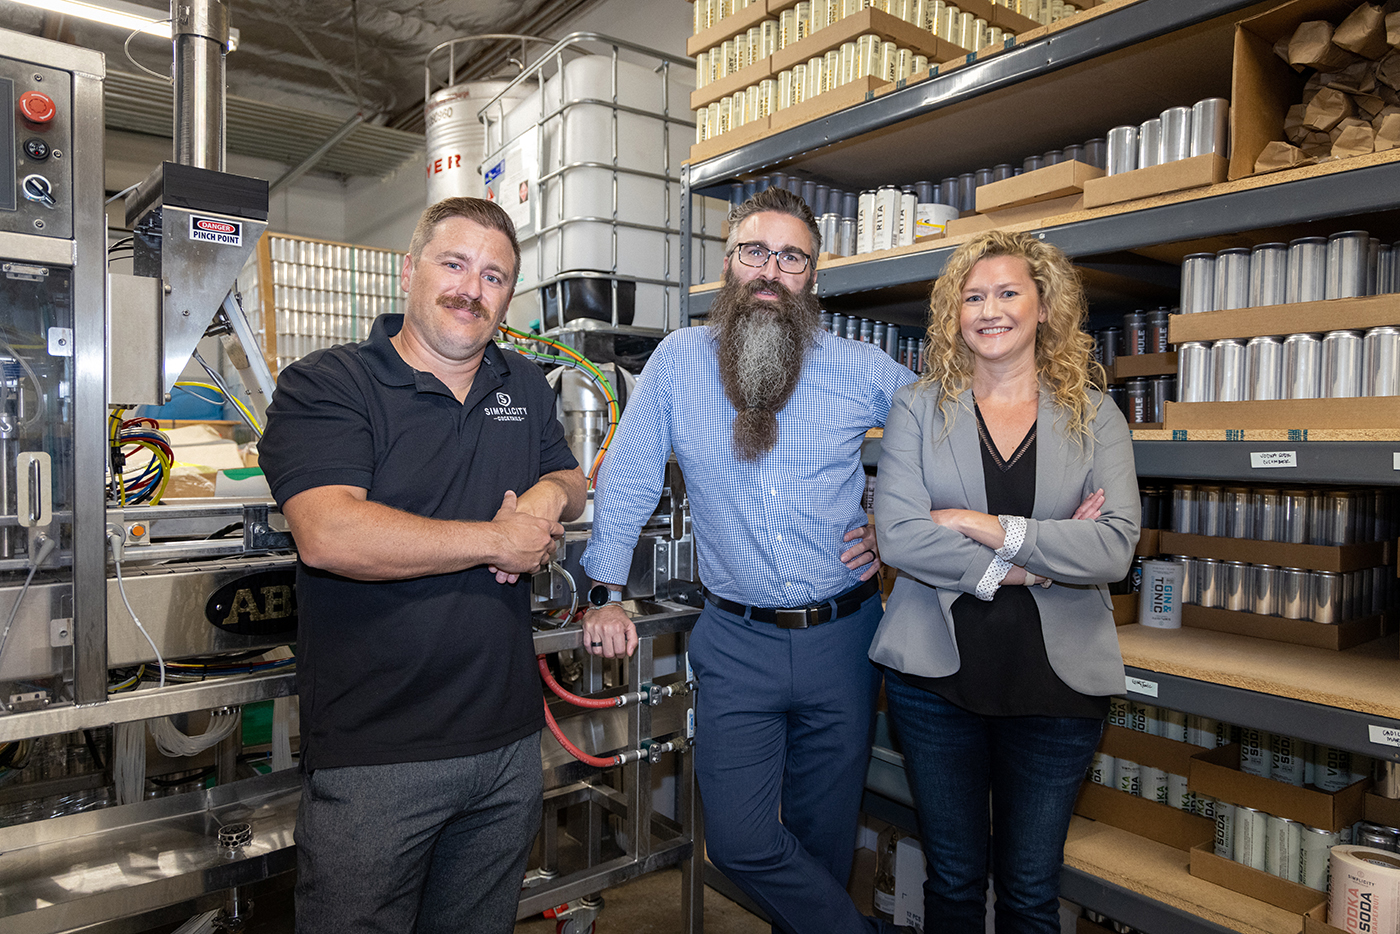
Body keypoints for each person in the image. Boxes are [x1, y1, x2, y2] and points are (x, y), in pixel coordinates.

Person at [580, 186, 917, 934]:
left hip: (844, 637)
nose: (771, 269)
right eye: (755, 251)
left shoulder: (861, 368)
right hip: (735, 641)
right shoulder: (675, 362)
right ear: (728, 265)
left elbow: (944, 441)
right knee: (738, 842)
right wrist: (603, 588)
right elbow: (631, 472)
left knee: (825, 848)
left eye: (792, 256)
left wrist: (894, 526)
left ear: (813, 279)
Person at [259, 197, 587, 934]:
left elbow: (571, 479)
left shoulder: (523, 385)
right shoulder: (330, 384)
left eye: (495, 276)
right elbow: (330, 533)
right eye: (454, 263)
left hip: (505, 747)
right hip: (378, 757)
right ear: (410, 271)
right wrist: (495, 540)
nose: (472, 288)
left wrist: (541, 499)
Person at [869, 229, 1139, 934]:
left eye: (1008, 292)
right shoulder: (918, 409)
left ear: (1044, 306)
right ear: (955, 315)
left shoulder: (1095, 416)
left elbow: (1113, 549)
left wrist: (988, 526)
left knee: (1028, 891)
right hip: (934, 684)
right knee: (954, 881)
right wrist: (1034, 564)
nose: (990, 309)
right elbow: (898, 535)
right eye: (973, 296)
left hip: (1057, 689)